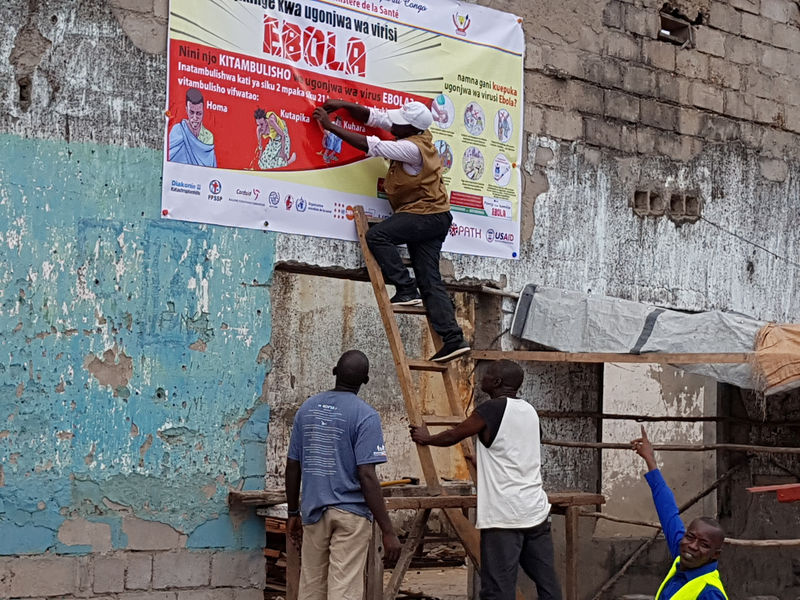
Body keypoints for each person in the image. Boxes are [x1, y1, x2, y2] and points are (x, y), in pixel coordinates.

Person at [312, 99, 469, 363]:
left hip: (427, 215)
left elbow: (370, 145)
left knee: (378, 236)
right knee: (429, 279)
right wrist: (342, 104)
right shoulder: (413, 131)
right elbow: (373, 117)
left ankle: (406, 289)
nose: (392, 123)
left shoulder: (410, 148)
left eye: (398, 122)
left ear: (409, 128)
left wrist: (329, 126)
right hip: (435, 215)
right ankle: (453, 339)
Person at [409, 360, 561, 600]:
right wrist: (482, 460)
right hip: (535, 512)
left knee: (497, 590)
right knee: (548, 585)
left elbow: (453, 435)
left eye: (488, 374)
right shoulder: (530, 411)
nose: (483, 377)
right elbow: (515, 453)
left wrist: (427, 438)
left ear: (498, 382)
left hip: (504, 517)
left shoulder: (491, 409)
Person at [285, 350, 401, 600]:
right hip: (351, 514)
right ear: (366, 380)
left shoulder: (306, 409)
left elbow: (293, 465)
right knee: (344, 588)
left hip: (314, 510)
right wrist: (388, 531)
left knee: (311, 585)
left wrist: (293, 512)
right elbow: (367, 475)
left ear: (334, 372)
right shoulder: (366, 416)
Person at [631, 426, 728, 600]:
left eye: (704, 545)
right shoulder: (682, 555)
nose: (692, 546)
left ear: (715, 554)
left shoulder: (709, 592)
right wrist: (650, 460)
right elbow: (668, 512)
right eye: (690, 537)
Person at [168, 88, 217, 167]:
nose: (195, 118)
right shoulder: (178, 131)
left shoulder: (208, 137)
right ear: (186, 110)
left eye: (199, 113)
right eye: (191, 112)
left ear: (203, 112)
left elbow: (211, 168)